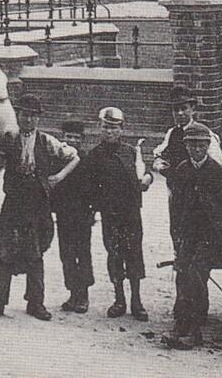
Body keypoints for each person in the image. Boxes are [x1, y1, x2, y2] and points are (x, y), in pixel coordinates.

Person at [0, 93, 78, 321]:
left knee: (35, 256)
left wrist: (59, 177)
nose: (29, 120)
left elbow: (74, 157)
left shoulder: (46, 141)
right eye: (25, 115)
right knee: (4, 255)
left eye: (34, 116)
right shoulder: (8, 139)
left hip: (38, 206)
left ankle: (36, 303)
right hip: (13, 206)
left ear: (39, 119)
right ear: (18, 115)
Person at [162, 121, 222, 350]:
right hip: (190, 234)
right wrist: (177, 235)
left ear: (208, 145)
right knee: (182, 269)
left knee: (194, 271)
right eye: (192, 145)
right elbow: (176, 207)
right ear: (186, 146)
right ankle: (183, 324)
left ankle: (192, 331)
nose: (196, 149)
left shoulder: (219, 173)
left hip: (215, 236)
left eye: (201, 145)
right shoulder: (182, 171)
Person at [84, 105, 153, 322]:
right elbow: (89, 188)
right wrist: (93, 209)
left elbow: (145, 172)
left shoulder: (131, 152)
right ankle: (119, 299)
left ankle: (136, 301)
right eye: (106, 127)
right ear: (100, 128)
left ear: (122, 129)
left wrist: (147, 180)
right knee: (114, 255)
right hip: (110, 215)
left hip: (131, 213)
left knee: (134, 254)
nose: (110, 132)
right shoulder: (94, 156)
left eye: (114, 128)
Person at [152, 88, 222, 251]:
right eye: (175, 110)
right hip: (177, 193)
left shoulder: (204, 133)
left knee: (197, 237)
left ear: (192, 109)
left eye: (184, 108)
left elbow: (221, 166)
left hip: (199, 195)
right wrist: (159, 163)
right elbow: (160, 153)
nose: (180, 113)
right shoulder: (172, 133)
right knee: (178, 234)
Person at [50, 119, 95, 314]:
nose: (72, 141)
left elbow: (95, 189)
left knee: (82, 253)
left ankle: (83, 294)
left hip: (82, 215)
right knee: (66, 254)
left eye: (76, 137)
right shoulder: (58, 159)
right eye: (69, 137)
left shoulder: (87, 160)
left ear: (82, 140)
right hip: (63, 214)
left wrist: (92, 210)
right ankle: (72, 292)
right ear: (63, 138)